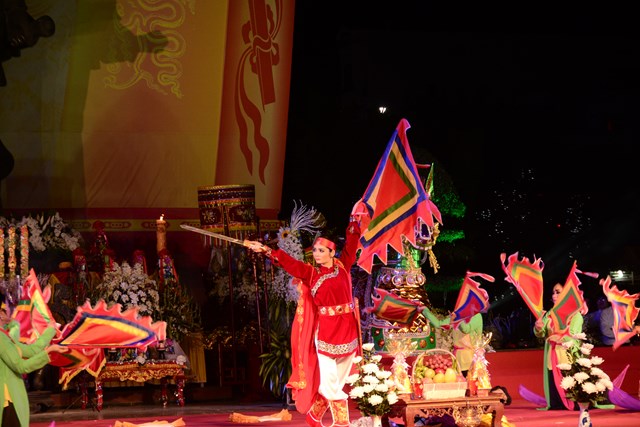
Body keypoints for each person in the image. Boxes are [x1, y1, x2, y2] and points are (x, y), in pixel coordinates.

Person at [247, 218, 360, 427]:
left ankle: (314, 416)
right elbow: (290, 263)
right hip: (326, 332)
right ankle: (342, 423)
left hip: (348, 329)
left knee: (339, 380)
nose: (316, 254)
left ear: (332, 253)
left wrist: (354, 224)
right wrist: (265, 250)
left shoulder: (343, 265)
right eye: (315, 250)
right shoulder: (311, 273)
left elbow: (352, 243)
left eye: (321, 250)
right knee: (330, 381)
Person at [0, 300, 62, 427]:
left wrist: (50, 330)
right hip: (7, 398)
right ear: (1, 314)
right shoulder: (1, 338)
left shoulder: (5, 336)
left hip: (12, 397)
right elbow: (21, 366)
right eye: (6, 310)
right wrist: (48, 352)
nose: (11, 313)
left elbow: (31, 350)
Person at [533, 282, 583, 410]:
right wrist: (538, 327)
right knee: (555, 393)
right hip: (552, 354)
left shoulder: (575, 314)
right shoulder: (550, 314)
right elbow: (541, 333)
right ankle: (557, 402)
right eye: (553, 292)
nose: (554, 295)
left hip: (567, 355)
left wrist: (559, 337)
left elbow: (574, 336)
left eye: (558, 292)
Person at [420, 309, 483, 377]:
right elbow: (439, 324)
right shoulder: (459, 315)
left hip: (471, 359)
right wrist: (424, 310)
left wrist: (457, 318)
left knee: (470, 380)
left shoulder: (476, 316)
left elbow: (466, 329)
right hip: (458, 359)